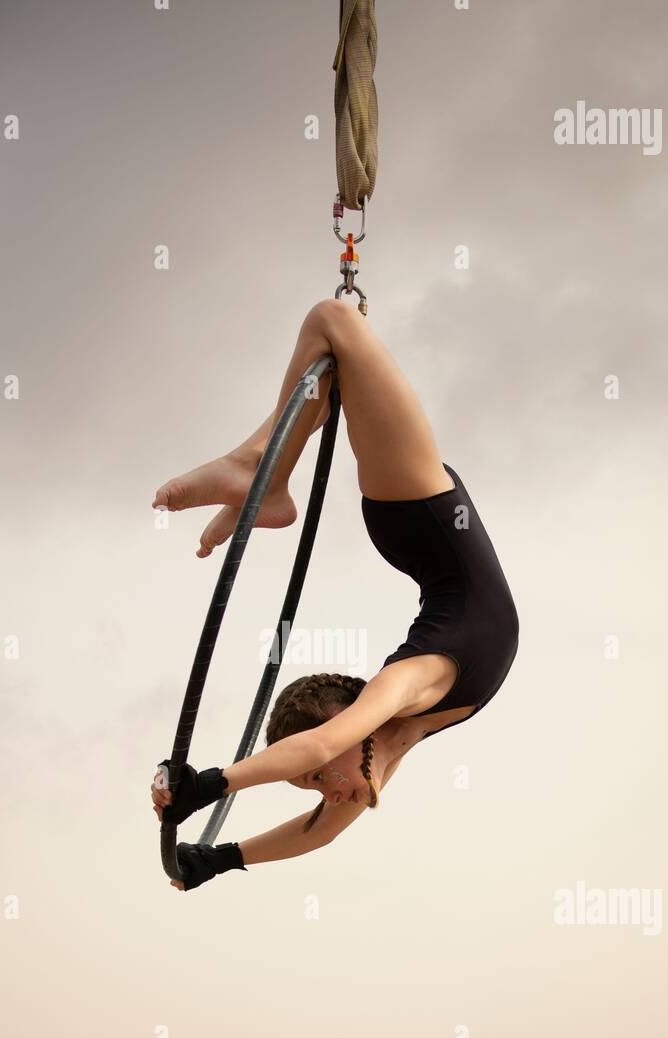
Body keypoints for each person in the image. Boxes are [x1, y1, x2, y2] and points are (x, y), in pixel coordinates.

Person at [151, 298, 519, 891]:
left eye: (318, 776)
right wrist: (217, 860)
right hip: (423, 529)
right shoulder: (396, 740)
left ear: (351, 721)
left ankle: (260, 476)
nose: (331, 790)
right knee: (335, 352)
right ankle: (258, 483)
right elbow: (319, 831)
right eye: (317, 785)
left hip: (421, 511)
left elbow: (323, 743)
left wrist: (209, 785)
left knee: (334, 322)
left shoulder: (403, 686)